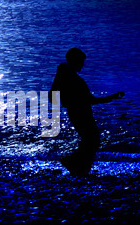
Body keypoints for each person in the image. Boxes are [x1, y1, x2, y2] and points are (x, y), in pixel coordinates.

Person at [50, 47, 124, 176]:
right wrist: (111, 97)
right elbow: (89, 100)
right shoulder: (70, 78)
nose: (83, 65)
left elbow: (55, 96)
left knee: (90, 140)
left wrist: (111, 98)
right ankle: (74, 163)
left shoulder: (68, 76)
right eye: (81, 61)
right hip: (80, 113)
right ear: (75, 60)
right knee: (92, 140)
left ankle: (80, 167)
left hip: (79, 112)